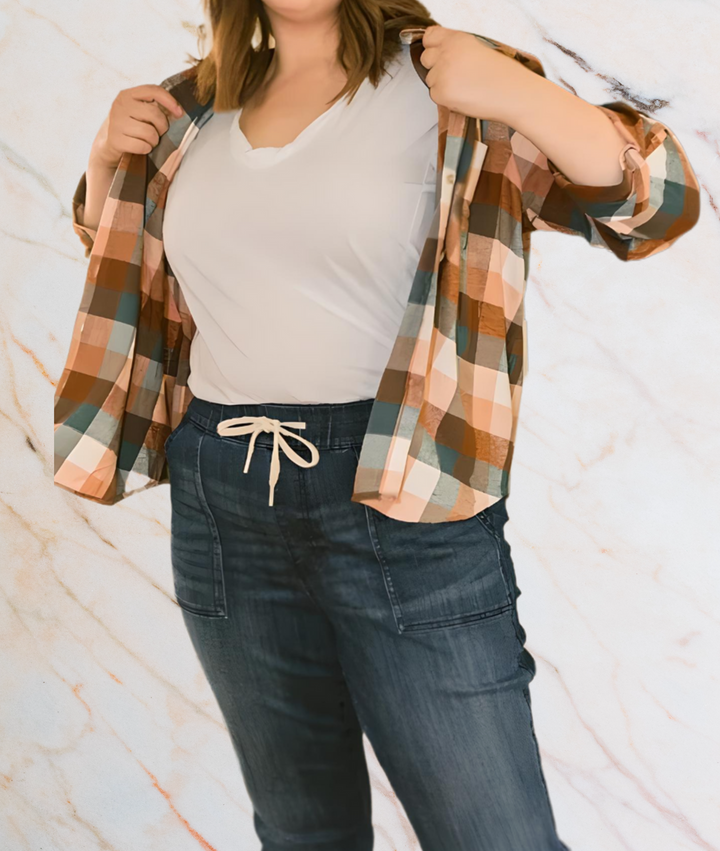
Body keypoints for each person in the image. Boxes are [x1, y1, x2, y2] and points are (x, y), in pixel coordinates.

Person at [54, 0, 700, 848]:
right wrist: (107, 158)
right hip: (223, 506)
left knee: (493, 836)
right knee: (301, 831)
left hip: (405, 496)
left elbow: (660, 206)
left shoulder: (448, 81)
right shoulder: (191, 107)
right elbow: (127, 261)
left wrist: (522, 95)